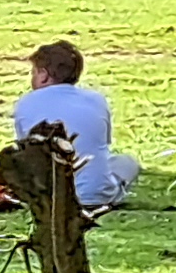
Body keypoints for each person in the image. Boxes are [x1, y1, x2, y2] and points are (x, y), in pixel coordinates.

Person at [10, 39, 135, 209]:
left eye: (34, 72)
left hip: (47, 197)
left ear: (44, 75)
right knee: (126, 162)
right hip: (95, 197)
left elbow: (26, 152)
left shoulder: (25, 103)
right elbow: (103, 144)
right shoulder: (96, 100)